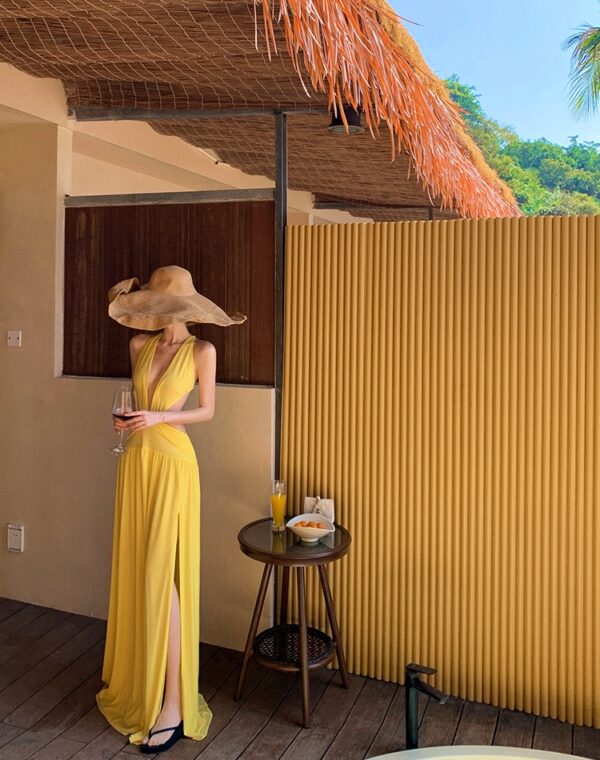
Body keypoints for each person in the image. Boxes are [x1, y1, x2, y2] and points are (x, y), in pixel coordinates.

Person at [96, 265, 246, 753]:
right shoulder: (139, 345)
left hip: (174, 464)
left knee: (166, 576)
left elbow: (207, 410)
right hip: (136, 461)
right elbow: (135, 402)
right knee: (140, 570)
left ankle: (175, 705)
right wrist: (130, 422)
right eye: (153, 304)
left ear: (183, 307)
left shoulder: (203, 351)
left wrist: (159, 416)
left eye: (165, 304)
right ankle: (143, 682)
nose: (159, 312)